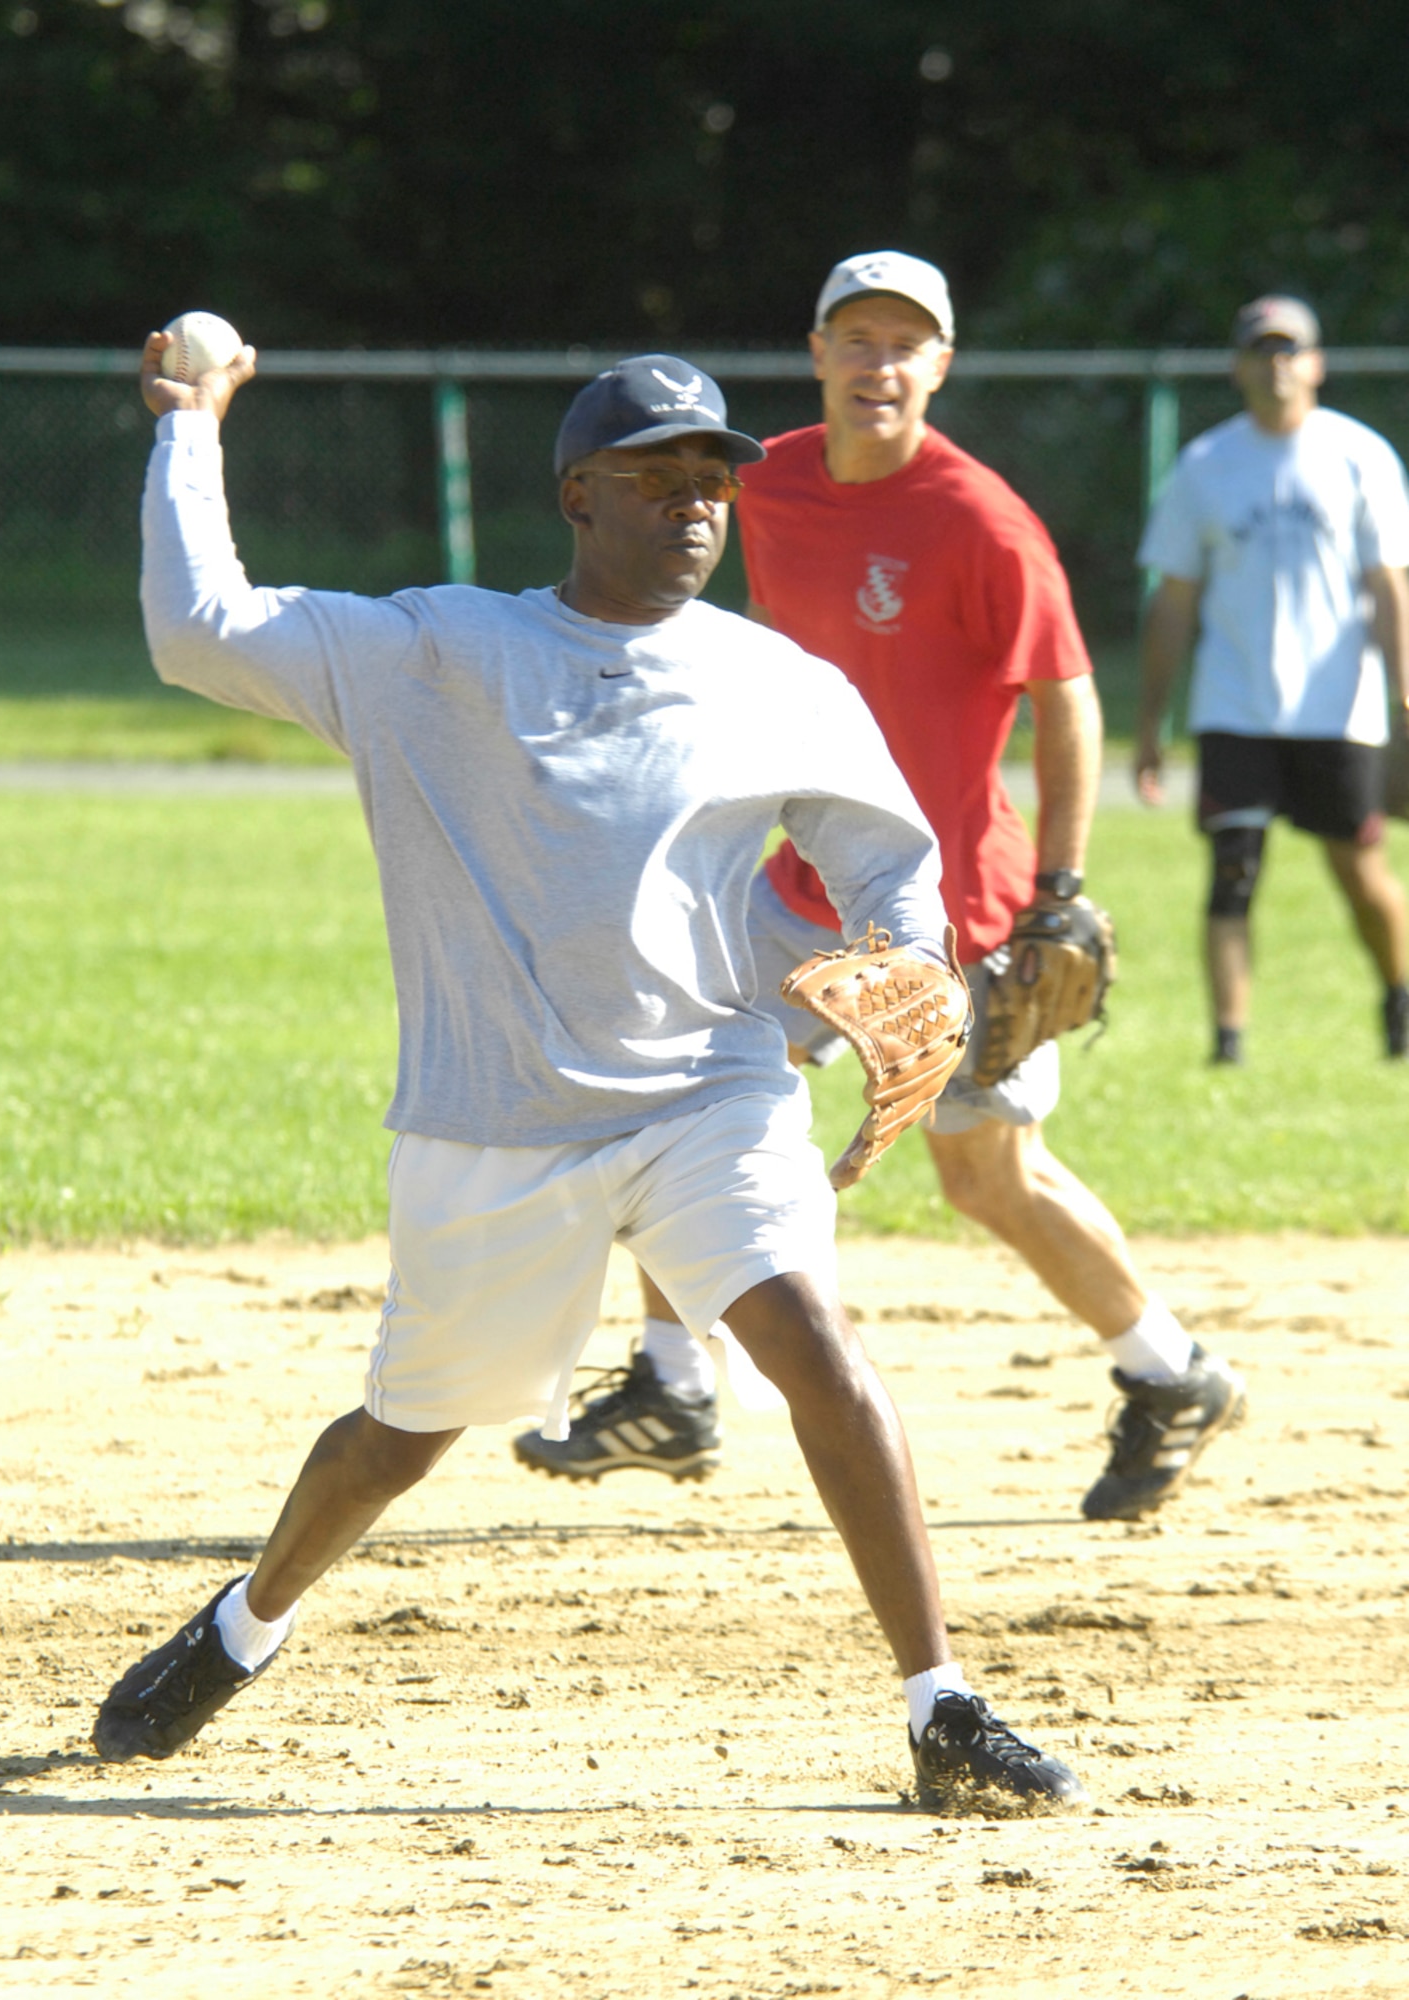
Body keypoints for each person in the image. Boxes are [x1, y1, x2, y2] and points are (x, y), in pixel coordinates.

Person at [89, 335, 1083, 1814]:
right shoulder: (436, 652)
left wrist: (905, 958)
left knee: (814, 1347)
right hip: (497, 1125)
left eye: (713, 481)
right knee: (403, 1434)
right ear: (575, 495)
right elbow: (197, 627)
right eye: (659, 474)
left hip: (711, 1091)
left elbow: (884, 854)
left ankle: (938, 1702)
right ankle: (246, 1624)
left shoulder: (771, 680)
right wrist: (188, 424)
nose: (696, 502)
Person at [515, 252, 1245, 1524]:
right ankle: (675, 1385)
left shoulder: (979, 520)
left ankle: (1169, 1370)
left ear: (939, 369)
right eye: (857, 339)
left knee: (986, 1177)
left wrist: (1060, 889)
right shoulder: (769, 479)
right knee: (678, 1096)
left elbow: (1065, 693)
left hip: (947, 907)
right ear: (816, 353)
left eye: (906, 344)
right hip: (795, 883)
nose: (879, 365)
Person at [1137, 293, 1409, 1066]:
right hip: (1235, 702)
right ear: (1237, 366)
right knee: (1232, 875)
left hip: (1336, 705)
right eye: (1261, 350)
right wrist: (1153, 722)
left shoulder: (1359, 456)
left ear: (1316, 364)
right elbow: (1174, 599)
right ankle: (1228, 1043)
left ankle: (1397, 997)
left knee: (1359, 870)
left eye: (1290, 350)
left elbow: (1389, 585)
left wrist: (1402, 692)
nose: (1276, 364)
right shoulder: (1205, 466)